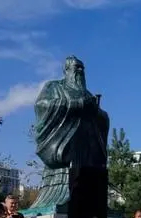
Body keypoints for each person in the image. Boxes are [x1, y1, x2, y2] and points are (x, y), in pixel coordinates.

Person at [30, 56, 110, 209]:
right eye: (76, 67)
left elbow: (101, 117)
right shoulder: (54, 87)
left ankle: (93, 199)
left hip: (87, 142)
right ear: (66, 70)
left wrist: (97, 112)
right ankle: (63, 194)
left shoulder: (87, 94)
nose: (80, 70)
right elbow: (42, 105)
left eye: (82, 68)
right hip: (66, 141)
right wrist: (77, 104)